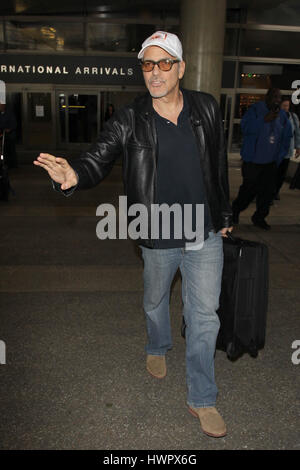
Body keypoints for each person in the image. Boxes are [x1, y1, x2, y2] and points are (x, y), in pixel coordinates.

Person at [33, 31, 233, 438]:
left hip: (204, 232)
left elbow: (217, 165)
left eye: (163, 64)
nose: (154, 73)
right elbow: (98, 157)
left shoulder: (207, 108)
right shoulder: (129, 117)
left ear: (180, 68)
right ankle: (157, 346)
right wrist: (73, 176)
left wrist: (225, 213)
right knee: (155, 299)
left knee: (204, 316)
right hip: (156, 231)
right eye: (147, 64)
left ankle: (202, 398)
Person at [232, 88, 292, 230]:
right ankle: (235, 211)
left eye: (279, 98)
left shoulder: (283, 116)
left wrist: (279, 157)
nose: (277, 100)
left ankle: (259, 217)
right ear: (267, 97)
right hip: (253, 162)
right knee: (248, 191)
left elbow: (287, 137)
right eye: (274, 97)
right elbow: (245, 128)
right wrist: (263, 120)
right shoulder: (255, 110)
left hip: (270, 163)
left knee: (267, 193)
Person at [273, 97, 300, 199]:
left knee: (281, 174)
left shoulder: (293, 117)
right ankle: (270, 192)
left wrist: (298, 147)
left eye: (287, 106)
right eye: (284, 105)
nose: (285, 108)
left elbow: (297, 132)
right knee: (273, 172)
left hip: (287, 150)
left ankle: (276, 191)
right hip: (275, 150)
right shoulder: (275, 116)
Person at [0, 103, 18, 169]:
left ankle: (13, 165)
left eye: (1, 106)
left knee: (11, 150)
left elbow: (14, 124)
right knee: (3, 151)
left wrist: (9, 129)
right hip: (2, 136)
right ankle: (4, 163)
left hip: (10, 136)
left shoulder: (9, 114)